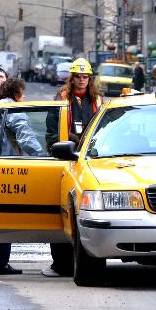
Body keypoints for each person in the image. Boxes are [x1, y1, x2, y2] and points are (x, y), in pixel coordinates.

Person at [0, 78, 42, 276]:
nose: (25, 97)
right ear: (16, 94)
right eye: (23, 93)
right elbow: (25, 135)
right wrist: (42, 155)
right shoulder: (12, 109)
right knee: (4, 213)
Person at [42, 58, 103, 277]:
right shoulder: (61, 98)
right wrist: (66, 142)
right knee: (61, 213)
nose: (81, 80)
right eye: (77, 76)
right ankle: (60, 264)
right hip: (64, 158)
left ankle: (87, 259)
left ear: (90, 78)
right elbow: (51, 131)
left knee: (82, 213)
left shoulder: (97, 99)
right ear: (71, 77)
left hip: (89, 160)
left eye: (85, 76)